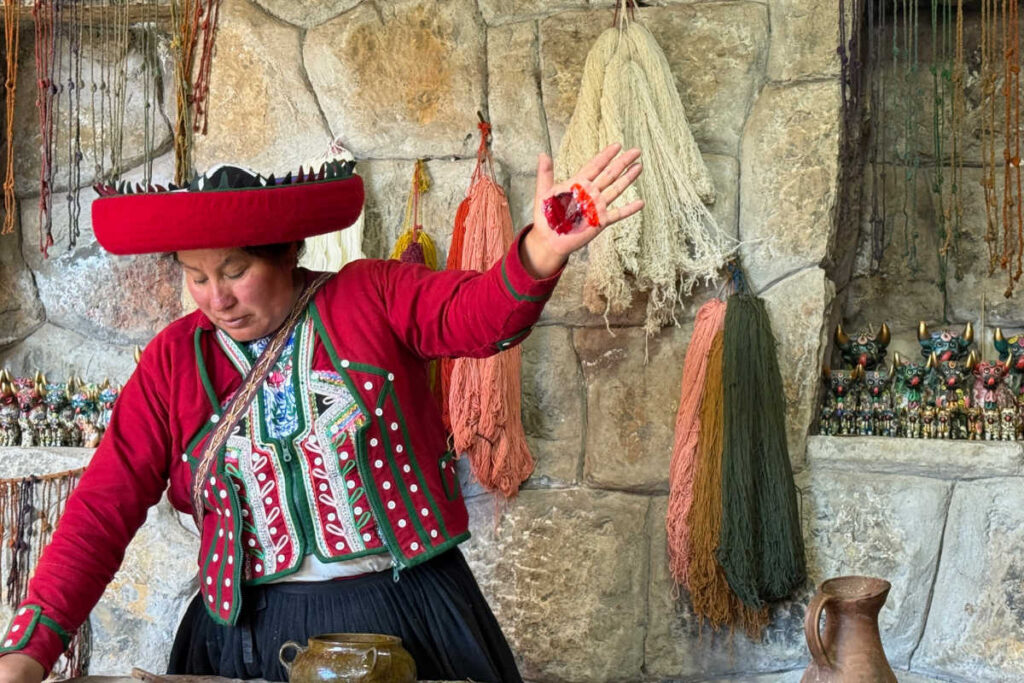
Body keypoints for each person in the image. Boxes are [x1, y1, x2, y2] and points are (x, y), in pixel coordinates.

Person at [0, 143, 643, 683]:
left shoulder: (368, 297)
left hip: (402, 619)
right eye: (196, 276)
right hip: (244, 640)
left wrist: (541, 251)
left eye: (235, 269)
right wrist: (30, 650)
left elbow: (476, 315)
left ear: (287, 253)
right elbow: (101, 509)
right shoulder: (173, 362)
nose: (215, 297)